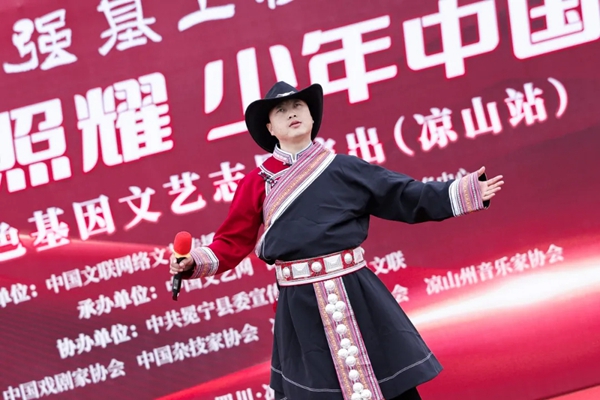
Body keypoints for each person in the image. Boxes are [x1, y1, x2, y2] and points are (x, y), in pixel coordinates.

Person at [170, 81, 504, 400]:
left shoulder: (344, 168)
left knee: (390, 386)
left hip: (356, 291)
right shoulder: (257, 182)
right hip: (300, 305)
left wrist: (463, 192)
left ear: (311, 116)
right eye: (281, 110)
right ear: (270, 128)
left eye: (298, 105)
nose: (292, 112)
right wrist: (193, 261)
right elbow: (231, 241)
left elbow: (403, 194)